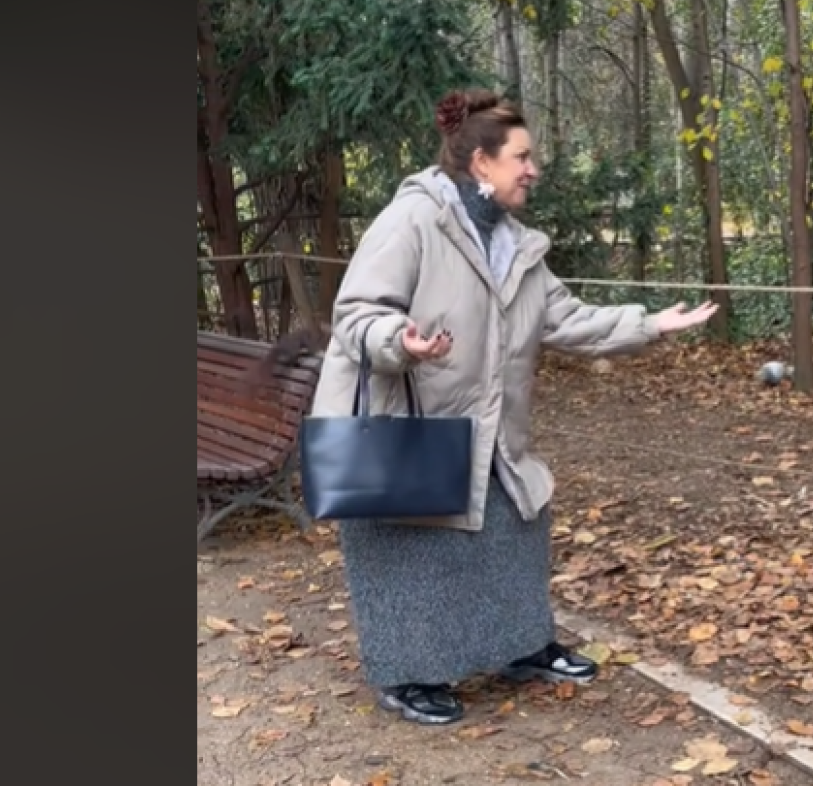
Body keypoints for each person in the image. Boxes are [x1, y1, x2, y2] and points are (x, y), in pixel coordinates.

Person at [306, 88, 718, 725]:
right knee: (411, 556)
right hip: (405, 432)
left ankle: (523, 647)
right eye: (522, 157)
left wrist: (649, 324)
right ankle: (406, 675)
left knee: (516, 523)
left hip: (487, 425)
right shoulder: (412, 221)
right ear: (482, 162)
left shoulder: (517, 246)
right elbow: (356, 314)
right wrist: (400, 341)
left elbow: (567, 319)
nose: (533, 169)